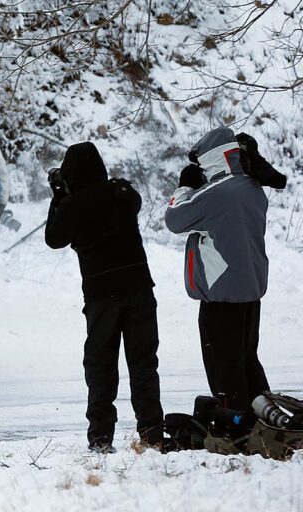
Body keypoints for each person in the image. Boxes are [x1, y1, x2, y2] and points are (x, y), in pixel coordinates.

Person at [44, 141, 164, 453]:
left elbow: (54, 239)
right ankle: (152, 433)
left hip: (101, 297)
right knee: (143, 364)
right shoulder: (121, 194)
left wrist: (58, 195)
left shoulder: (72, 205)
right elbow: (134, 200)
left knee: (101, 367)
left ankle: (100, 437)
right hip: (139, 289)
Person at [164, 126, 286, 413]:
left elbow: (174, 219)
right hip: (250, 290)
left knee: (224, 366)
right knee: (246, 360)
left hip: (221, 293)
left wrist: (184, 187)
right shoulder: (253, 189)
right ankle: (265, 417)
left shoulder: (217, 193)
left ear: (212, 160)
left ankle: (236, 425)